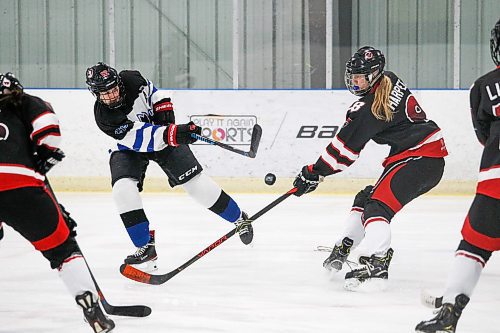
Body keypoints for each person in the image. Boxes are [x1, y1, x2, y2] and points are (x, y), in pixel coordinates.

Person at [292, 46, 448, 290]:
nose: (354, 82)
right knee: (365, 198)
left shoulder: (368, 108)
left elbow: (343, 152)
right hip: (421, 157)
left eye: (360, 77)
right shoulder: (390, 79)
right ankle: (344, 246)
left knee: (376, 207)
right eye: (352, 76)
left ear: (374, 75)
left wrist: (313, 172)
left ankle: (378, 263)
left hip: (419, 158)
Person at [84, 62, 252, 272]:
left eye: (113, 88)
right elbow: (140, 138)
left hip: (160, 133)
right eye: (105, 93)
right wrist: (172, 133)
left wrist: (166, 115)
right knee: (122, 190)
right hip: (130, 146)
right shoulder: (104, 117)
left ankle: (239, 218)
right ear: (95, 94)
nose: (112, 95)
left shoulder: (132, 79)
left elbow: (156, 94)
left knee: (195, 184)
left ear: (119, 81)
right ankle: (145, 246)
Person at [0, 72, 115, 332]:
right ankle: (91, 307)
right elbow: (49, 131)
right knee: (62, 250)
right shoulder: (26, 102)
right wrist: (44, 155)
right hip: (20, 184)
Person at [415, 19, 500, 333]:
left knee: (474, 247)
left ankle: (449, 313)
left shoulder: (484, 86)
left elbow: (483, 135)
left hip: (496, 181)